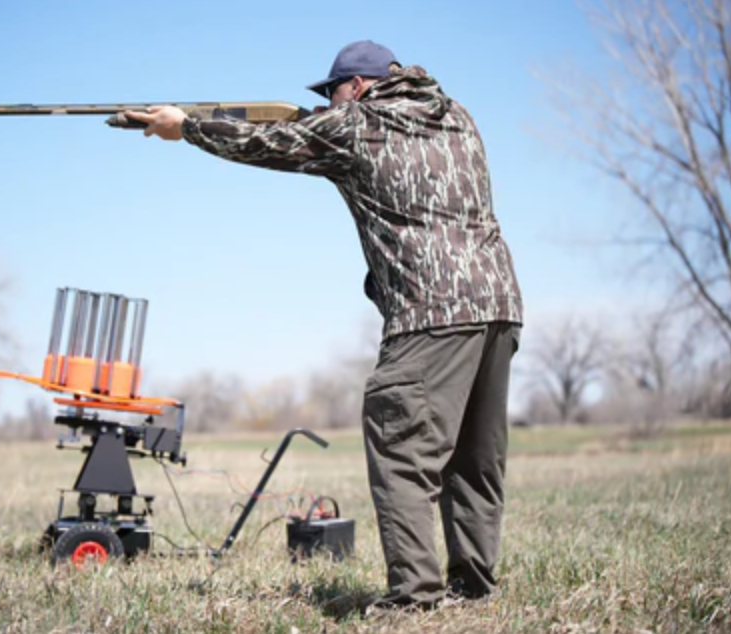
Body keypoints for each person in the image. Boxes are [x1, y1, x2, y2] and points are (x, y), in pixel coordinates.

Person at [126, 40, 523, 613]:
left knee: (401, 448)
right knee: (474, 459)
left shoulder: (357, 125)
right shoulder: (457, 116)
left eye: (332, 92)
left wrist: (185, 126)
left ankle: (415, 599)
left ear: (357, 88)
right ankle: (472, 588)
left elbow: (268, 142)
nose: (328, 103)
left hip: (431, 312)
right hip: (498, 303)